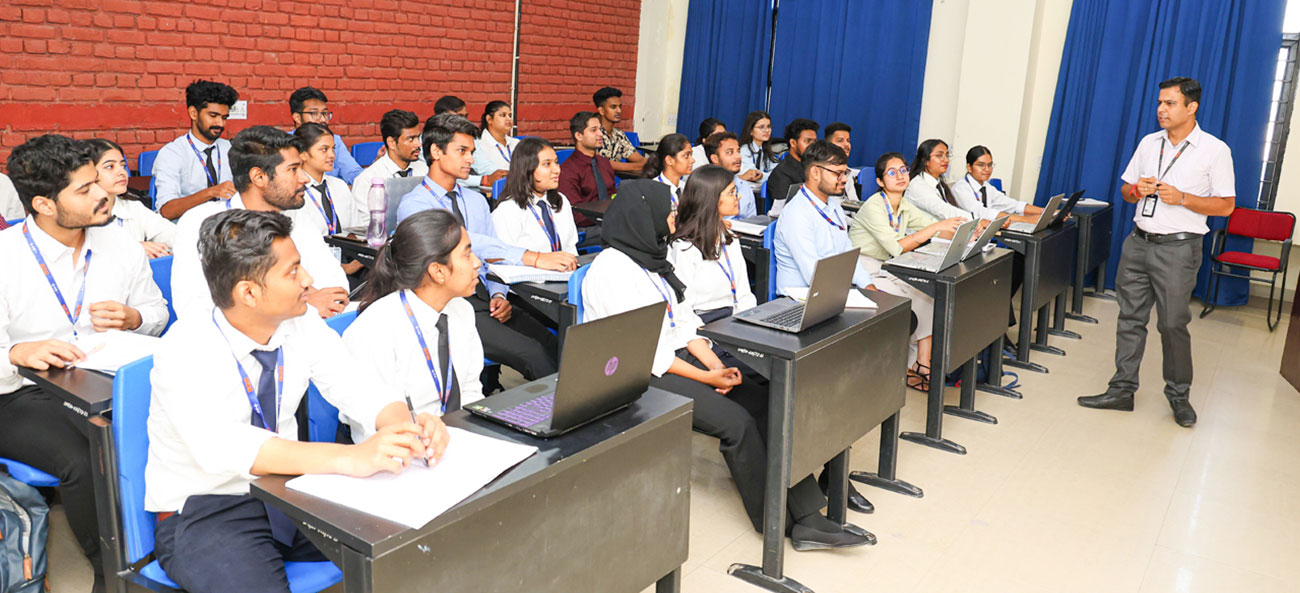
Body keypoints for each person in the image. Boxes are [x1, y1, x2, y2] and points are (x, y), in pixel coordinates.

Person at [145, 208, 449, 593]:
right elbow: (223, 449)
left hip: (288, 488)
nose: (308, 281)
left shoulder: (298, 322)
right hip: (208, 506)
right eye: (292, 271)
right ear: (249, 292)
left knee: (416, 545)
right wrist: (351, 458)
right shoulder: (185, 349)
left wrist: (401, 426)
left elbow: (353, 382)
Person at [582, 179, 871, 550]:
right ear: (643, 216)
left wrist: (715, 365)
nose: (673, 216)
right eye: (667, 210)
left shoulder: (652, 257)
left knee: (769, 403)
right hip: (636, 375)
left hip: (678, 358)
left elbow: (685, 323)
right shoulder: (611, 270)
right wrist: (705, 375)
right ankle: (775, 523)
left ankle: (810, 517)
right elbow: (648, 354)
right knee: (737, 424)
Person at [1, 135, 169, 591]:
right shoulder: (5, 257)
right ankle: (112, 571)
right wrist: (15, 353)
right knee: (86, 457)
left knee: (169, 428)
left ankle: (172, 546)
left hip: (106, 379)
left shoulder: (119, 244)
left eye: (98, 181)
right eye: (84, 189)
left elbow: (157, 316)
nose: (102, 193)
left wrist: (135, 318)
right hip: (18, 393)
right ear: (43, 204)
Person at [1078, 76, 1236, 428]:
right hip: (1138, 243)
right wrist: (1137, 188)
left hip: (1179, 249)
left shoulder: (1214, 150)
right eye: (1160, 103)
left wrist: (1183, 198)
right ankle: (1121, 390)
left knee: (1172, 324)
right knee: (1130, 318)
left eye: (1170, 104)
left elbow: (1226, 206)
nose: (1161, 110)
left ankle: (1179, 396)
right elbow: (1125, 190)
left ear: (1191, 107)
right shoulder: (1150, 143)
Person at [395, 113, 567, 386]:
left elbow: (491, 257)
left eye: (472, 152)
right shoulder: (414, 205)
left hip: (485, 296)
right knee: (533, 354)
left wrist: (499, 294)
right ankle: (563, 418)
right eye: (462, 151)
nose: (470, 160)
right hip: (448, 305)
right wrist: (530, 258)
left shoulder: (475, 201)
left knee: (553, 342)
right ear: (436, 151)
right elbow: (454, 240)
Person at [172, 126, 350, 320]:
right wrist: (304, 299)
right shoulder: (200, 223)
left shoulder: (297, 218)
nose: (305, 178)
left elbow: (337, 285)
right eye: (293, 169)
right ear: (259, 177)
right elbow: (194, 309)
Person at [344, 210, 485, 440]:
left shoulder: (462, 311)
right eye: (467, 255)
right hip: (403, 451)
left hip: (457, 440)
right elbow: (368, 429)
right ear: (437, 271)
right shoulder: (376, 330)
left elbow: (470, 388)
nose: (477, 263)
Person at [849, 152, 965, 390]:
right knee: (906, 297)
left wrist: (963, 232)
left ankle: (922, 362)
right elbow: (896, 246)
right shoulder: (874, 206)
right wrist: (937, 226)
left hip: (888, 266)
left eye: (903, 170)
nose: (900, 175)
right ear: (880, 181)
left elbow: (930, 229)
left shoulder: (903, 204)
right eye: (892, 172)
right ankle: (910, 364)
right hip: (863, 270)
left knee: (926, 293)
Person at [773, 140, 876, 293]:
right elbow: (813, 274)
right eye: (837, 173)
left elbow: (848, 256)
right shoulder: (796, 214)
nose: (844, 179)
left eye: (845, 173)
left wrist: (868, 286)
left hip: (831, 290)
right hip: (800, 299)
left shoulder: (833, 206)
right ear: (815, 172)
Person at [669, 165, 757, 321]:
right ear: (711, 198)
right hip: (702, 323)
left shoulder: (730, 237)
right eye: (731, 193)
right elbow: (683, 309)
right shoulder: (684, 247)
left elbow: (745, 293)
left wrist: (749, 323)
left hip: (735, 318)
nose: (738, 197)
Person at [154, 79, 239, 220]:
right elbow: (167, 211)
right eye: (213, 116)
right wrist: (210, 193)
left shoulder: (229, 149)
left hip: (225, 229)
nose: (220, 123)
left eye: (224, 117)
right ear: (193, 113)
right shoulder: (172, 154)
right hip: (187, 230)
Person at [87, 138, 176, 257]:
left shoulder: (133, 208)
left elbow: (172, 234)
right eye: (110, 167)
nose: (121, 172)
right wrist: (133, 248)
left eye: (122, 165)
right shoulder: (78, 214)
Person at [491, 137, 580, 255]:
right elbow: (505, 257)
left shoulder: (561, 201)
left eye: (556, 162)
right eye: (547, 164)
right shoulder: (508, 210)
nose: (557, 170)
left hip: (564, 271)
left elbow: (571, 248)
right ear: (527, 169)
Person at [347, 109, 428, 233]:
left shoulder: (424, 170)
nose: (418, 144)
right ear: (391, 143)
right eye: (411, 139)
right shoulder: (368, 179)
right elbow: (364, 225)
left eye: (418, 137)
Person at [287, 86, 362, 184]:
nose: (322, 119)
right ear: (297, 117)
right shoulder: (285, 144)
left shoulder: (334, 141)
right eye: (314, 113)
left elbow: (354, 175)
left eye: (325, 113)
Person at [950, 146, 1043, 224]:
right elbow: (982, 213)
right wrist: (1026, 220)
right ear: (969, 167)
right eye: (981, 165)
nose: (987, 169)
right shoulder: (961, 188)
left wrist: (1044, 212)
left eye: (989, 165)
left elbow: (1012, 204)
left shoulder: (986, 187)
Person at [557, 111, 617, 230]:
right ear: (579, 136)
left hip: (611, 222)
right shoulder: (568, 170)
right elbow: (575, 214)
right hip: (587, 228)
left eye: (600, 129)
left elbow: (613, 196)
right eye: (593, 130)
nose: (600, 134)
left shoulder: (604, 163)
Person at [767, 118, 819, 215]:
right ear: (793, 143)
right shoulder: (782, 172)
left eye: (814, 142)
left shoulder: (813, 167)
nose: (813, 146)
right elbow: (782, 210)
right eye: (807, 141)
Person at [702, 131, 758, 219]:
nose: (738, 156)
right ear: (715, 159)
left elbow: (752, 220)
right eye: (730, 152)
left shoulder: (744, 186)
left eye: (738, 151)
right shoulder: (705, 187)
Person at [592, 86, 647, 174]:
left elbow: (638, 159)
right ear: (601, 111)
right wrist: (638, 166)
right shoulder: (592, 133)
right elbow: (603, 164)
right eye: (613, 107)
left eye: (620, 107)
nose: (619, 111)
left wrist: (647, 163)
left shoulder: (619, 135)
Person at [472, 100, 518, 193]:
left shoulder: (516, 143)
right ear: (489, 119)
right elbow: (488, 172)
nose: (508, 119)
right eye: (503, 115)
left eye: (510, 115)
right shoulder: (478, 143)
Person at [642, 133, 693, 209]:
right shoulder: (653, 190)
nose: (692, 160)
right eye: (686, 156)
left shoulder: (687, 188)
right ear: (669, 160)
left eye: (691, 155)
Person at [825, 122, 863, 204]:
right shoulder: (824, 172)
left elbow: (854, 203)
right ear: (828, 145)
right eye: (840, 140)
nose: (846, 144)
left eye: (848, 141)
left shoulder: (847, 172)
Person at [739, 111, 778, 185]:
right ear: (750, 131)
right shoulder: (744, 150)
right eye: (761, 127)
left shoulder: (764, 149)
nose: (767, 130)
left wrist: (764, 176)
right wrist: (764, 176)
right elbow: (754, 175)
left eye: (769, 127)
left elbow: (778, 172)